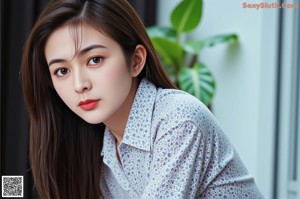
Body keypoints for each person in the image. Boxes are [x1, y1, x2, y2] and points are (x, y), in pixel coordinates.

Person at [21, 0, 264, 198]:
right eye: (62, 71)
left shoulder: (178, 121)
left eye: (94, 59)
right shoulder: (99, 145)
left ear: (136, 60)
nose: (79, 84)